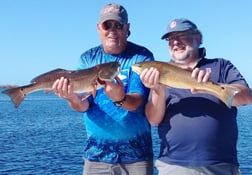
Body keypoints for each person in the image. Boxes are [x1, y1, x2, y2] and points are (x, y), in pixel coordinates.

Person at [139, 18, 252, 175]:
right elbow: (153, 120)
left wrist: (211, 87)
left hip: (220, 165)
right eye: (170, 39)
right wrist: (157, 89)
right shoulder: (160, 72)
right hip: (173, 165)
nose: (175, 42)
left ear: (197, 38)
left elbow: (247, 97)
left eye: (181, 36)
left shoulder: (222, 65)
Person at [52, 3, 154, 175]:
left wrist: (119, 98)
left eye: (118, 25)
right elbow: (83, 105)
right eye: (107, 25)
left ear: (127, 28)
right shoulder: (87, 58)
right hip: (96, 156)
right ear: (99, 27)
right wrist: (71, 98)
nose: (112, 30)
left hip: (137, 157)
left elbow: (137, 101)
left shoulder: (142, 56)